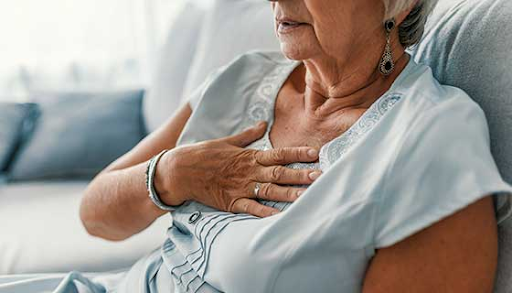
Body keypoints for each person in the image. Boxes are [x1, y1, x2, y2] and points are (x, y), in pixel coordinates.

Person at [2, 0, 512, 292]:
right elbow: (97, 215)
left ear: (394, 6)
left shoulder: (430, 139)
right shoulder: (243, 78)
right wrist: (172, 174)